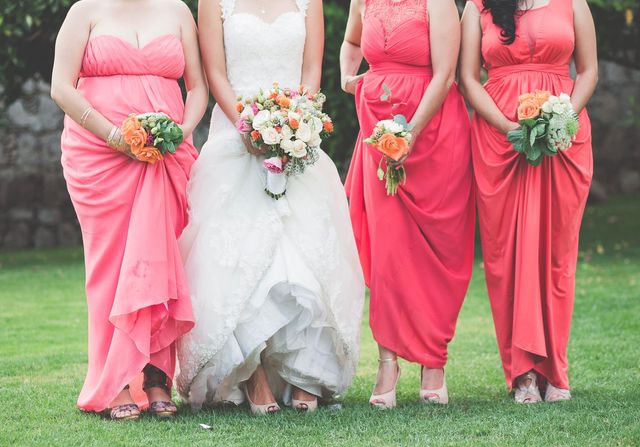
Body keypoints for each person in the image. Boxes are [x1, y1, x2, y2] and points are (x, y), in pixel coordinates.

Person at [175, 0, 365, 415]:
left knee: (301, 255)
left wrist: (298, 120)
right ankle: (253, 375)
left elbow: (311, 70)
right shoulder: (215, 3)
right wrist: (248, 125)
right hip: (236, 134)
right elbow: (216, 73)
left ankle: (304, 373)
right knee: (241, 257)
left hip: (295, 137)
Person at [50, 0, 208, 419]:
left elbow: (197, 88)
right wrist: (115, 135)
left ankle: (156, 378)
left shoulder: (177, 10)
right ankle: (115, 382)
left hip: (165, 158)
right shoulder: (84, 10)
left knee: (158, 259)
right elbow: (61, 88)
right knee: (110, 266)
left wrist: (180, 132)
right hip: (99, 157)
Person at [459, 0, 597, 402]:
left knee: (557, 254)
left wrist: (563, 118)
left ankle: (555, 370)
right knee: (506, 257)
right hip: (500, 140)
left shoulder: (573, 3)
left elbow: (588, 71)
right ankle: (522, 374)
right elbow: (468, 78)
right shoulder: (477, 6)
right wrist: (510, 129)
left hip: (562, 138)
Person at [341, 0, 475, 408]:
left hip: (433, 134)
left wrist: (411, 132)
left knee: (439, 250)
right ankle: (387, 362)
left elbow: (446, 74)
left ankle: (433, 361)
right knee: (388, 252)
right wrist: (350, 78)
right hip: (378, 132)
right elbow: (350, 42)